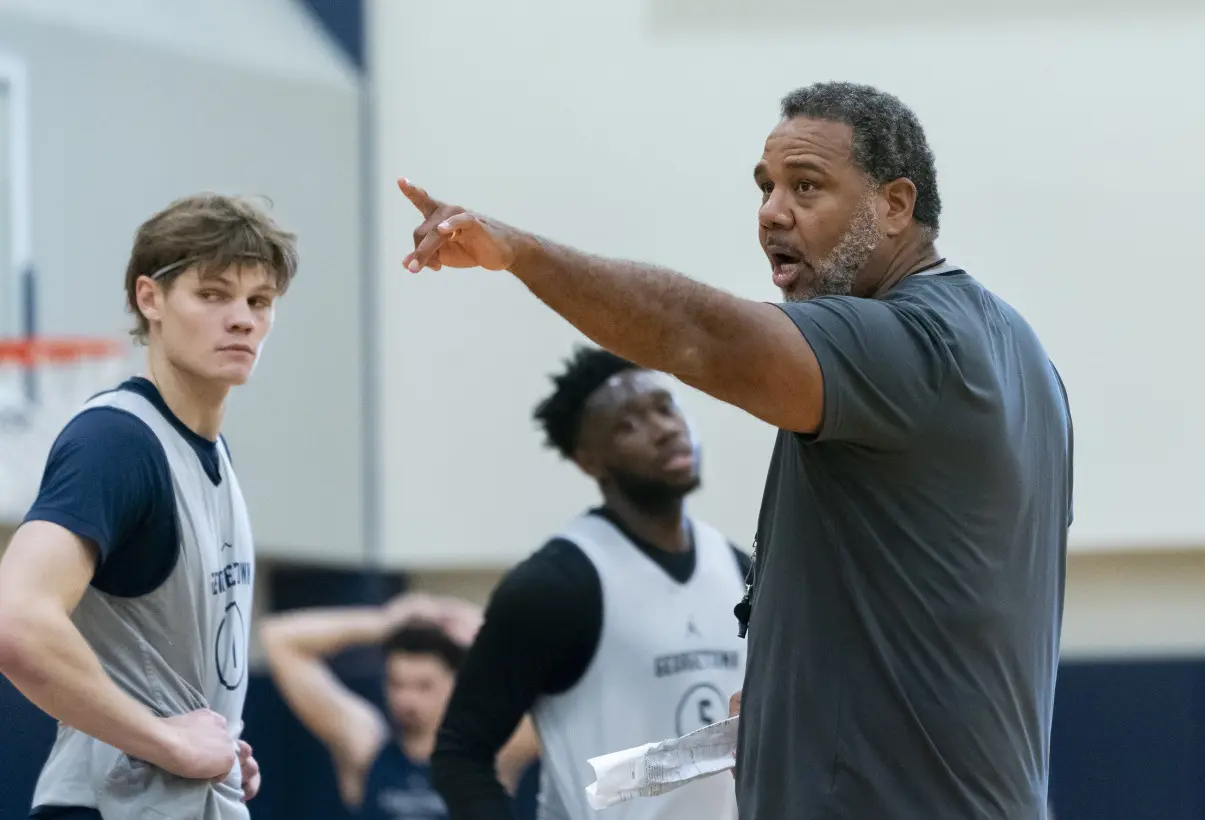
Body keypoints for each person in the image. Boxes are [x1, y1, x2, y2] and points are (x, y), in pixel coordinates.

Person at [398, 81, 1073, 820]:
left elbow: (704, 337)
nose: (772, 212)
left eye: (806, 187)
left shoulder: (909, 345)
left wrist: (520, 253)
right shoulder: (1025, 357)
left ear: (895, 205)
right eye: (766, 187)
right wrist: (796, 691)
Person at [0, 193, 299, 819]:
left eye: (258, 301)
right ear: (150, 298)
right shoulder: (118, 442)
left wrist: (212, 737)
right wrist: (166, 740)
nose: (242, 318)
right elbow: (15, 620)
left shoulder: (210, 455)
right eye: (213, 294)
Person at [430, 345, 750, 820]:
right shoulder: (556, 584)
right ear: (589, 460)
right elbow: (460, 751)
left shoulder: (740, 567)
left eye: (665, 407)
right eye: (628, 424)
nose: (664, 429)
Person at [259, 591, 539, 819]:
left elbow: (563, 686)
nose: (407, 698)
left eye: (423, 686)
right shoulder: (366, 748)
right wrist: (383, 623)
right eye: (397, 684)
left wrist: (487, 633)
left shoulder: (493, 754)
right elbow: (279, 638)